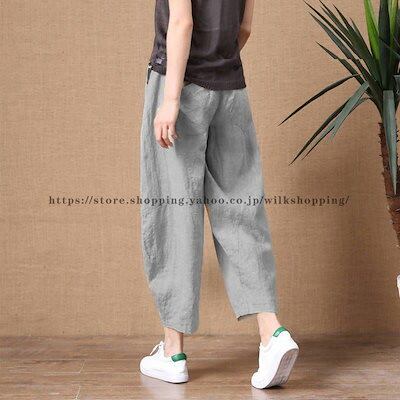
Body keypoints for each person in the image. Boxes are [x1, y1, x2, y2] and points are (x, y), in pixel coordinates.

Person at [139, 0, 299, 389]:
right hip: (231, 90)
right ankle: (272, 334)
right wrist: (217, 68)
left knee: (175, 215)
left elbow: (182, 23)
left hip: (180, 85)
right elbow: (244, 28)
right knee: (241, 212)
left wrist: (171, 100)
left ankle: (173, 352)